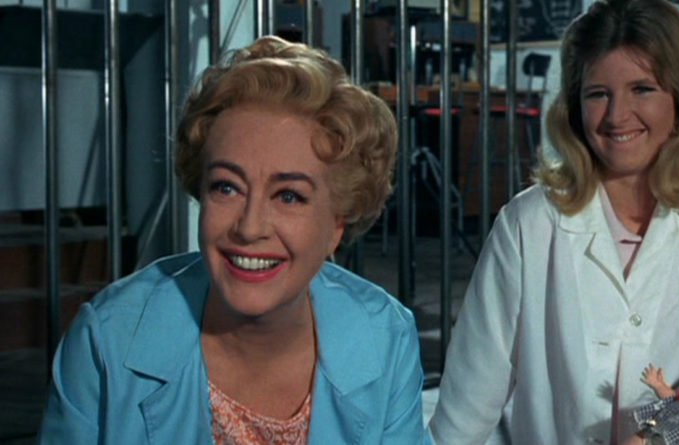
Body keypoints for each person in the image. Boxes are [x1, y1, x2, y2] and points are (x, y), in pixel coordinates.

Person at [37, 35, 426, 444]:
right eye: (227, 187)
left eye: (288, 196)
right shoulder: (108, 339)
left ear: (337, 224)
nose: (249, 227)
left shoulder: (385, 337)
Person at [427, 0, 679, 443]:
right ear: (574, 107)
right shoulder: (529, 222)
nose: (616, 116)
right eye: (597, 94)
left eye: (642, 89)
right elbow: (470, 398)